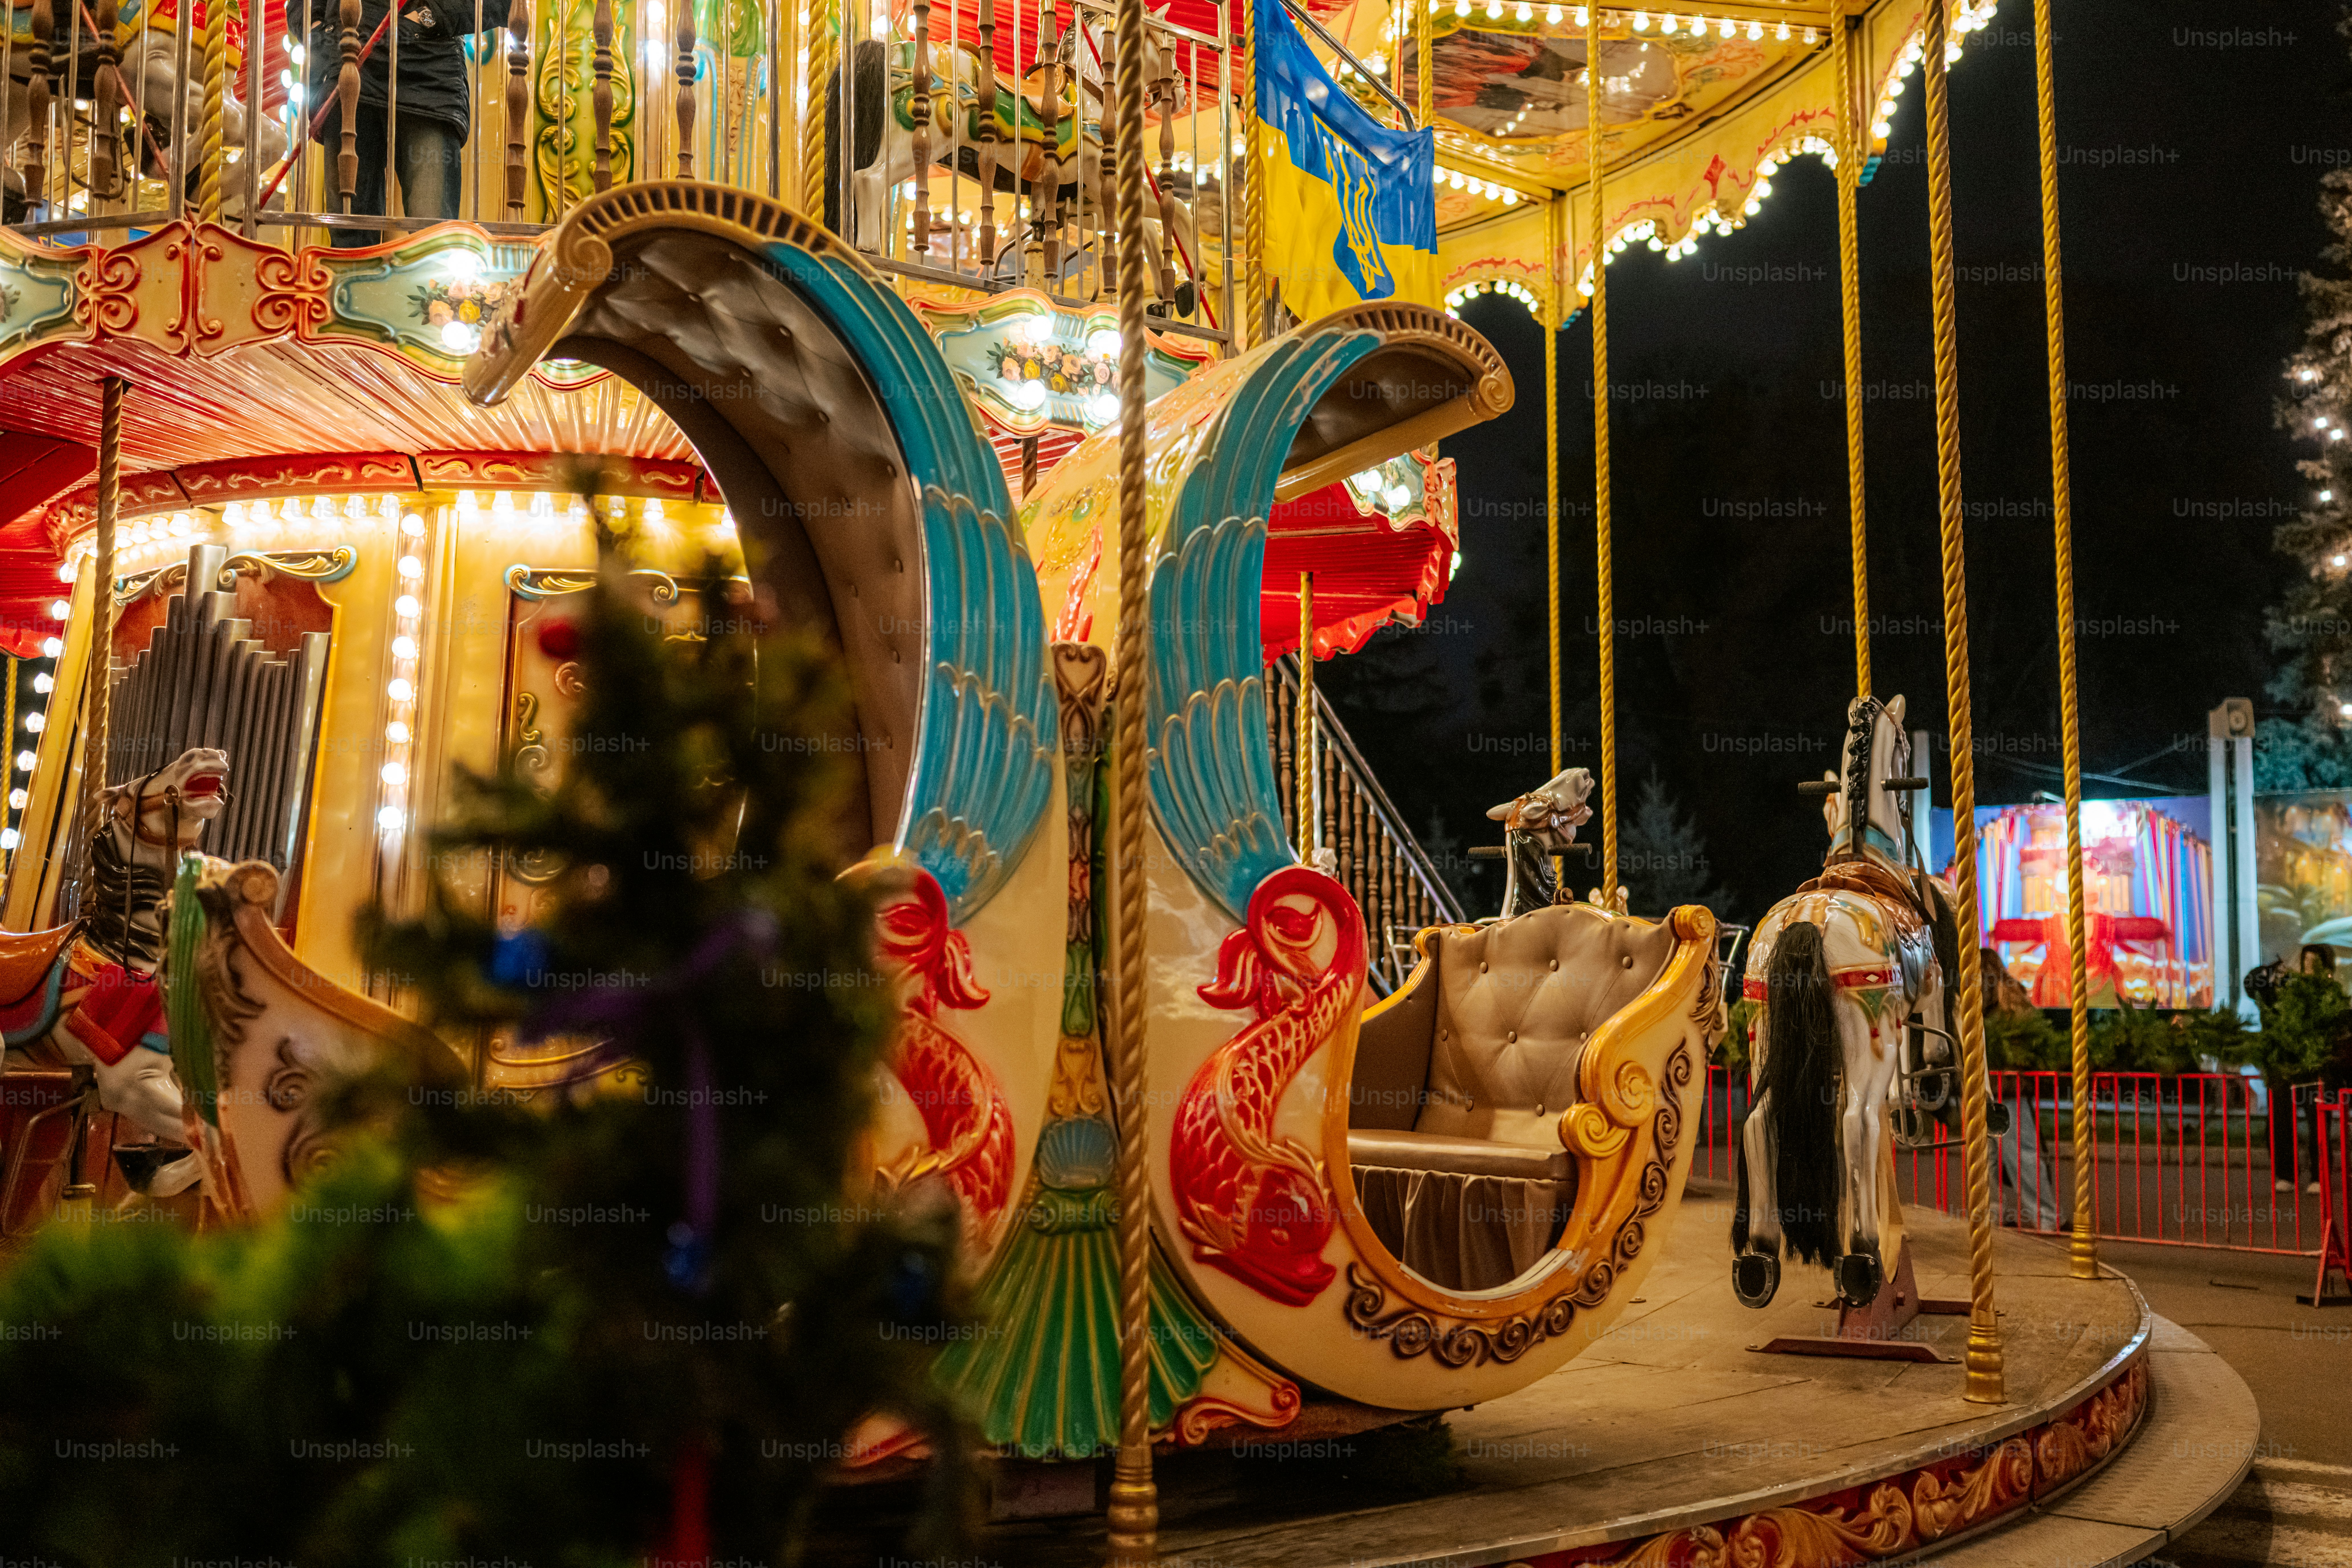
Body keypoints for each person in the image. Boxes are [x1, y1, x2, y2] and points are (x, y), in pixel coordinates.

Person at [305, 0, 491, 246]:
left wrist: (430, 17)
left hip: (427, 76)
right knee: (349, 238)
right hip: (351, 67)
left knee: (431, 233)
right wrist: (320, 31)